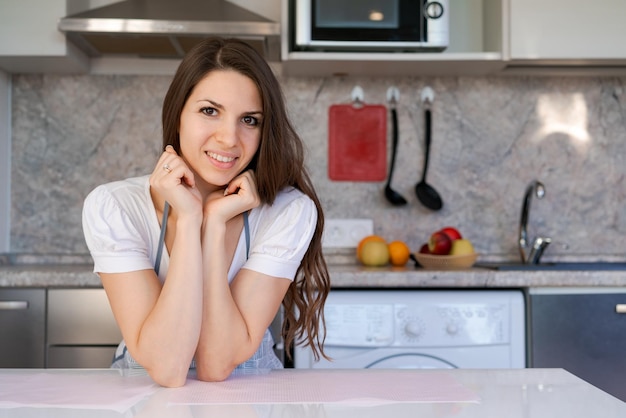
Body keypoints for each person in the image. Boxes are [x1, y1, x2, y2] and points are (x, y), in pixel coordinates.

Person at [82, 37, 331, 388]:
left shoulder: (286, 212)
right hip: (143, 399)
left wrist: (214, 224)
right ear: (177, 115)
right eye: (209, 111)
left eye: (249, 119)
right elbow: (167, 368)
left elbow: (216, 364)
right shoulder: (115, 207)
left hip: (248, 400)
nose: (229, 138)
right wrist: (189, 222)